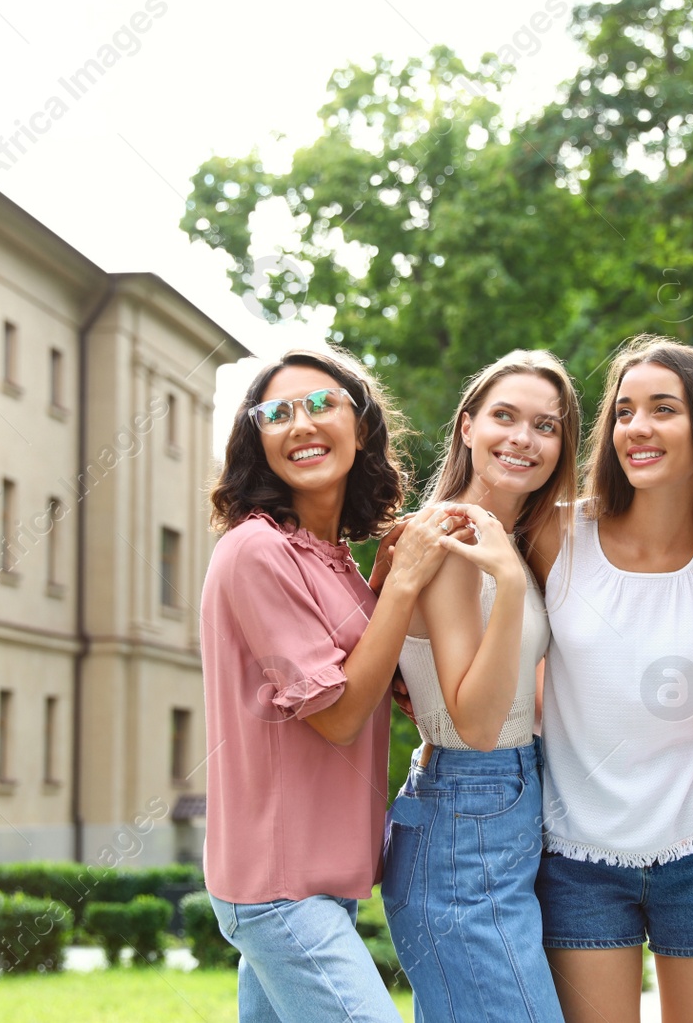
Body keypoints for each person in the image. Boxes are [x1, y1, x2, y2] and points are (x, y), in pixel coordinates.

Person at [530, 336, 693, 1023]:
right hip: (577, 851)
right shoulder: (555, 538)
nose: (636, 427)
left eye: (662, 409)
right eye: (623, 411)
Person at [199, 346, 456, 1023]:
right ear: (257, 439)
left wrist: (382, 584)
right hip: (281, 889)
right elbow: (339, 714)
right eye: (276, 413)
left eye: (321, 404)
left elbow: (364, 672)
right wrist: (401, 585)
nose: (300, 424)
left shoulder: (332, 557)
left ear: (361, 424)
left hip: (318, 884)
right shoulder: (256, 549)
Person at [381, 350, 580, 1023]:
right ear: (467, 426)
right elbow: (475, 721)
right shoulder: (448, 541)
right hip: (465, 817)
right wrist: (517, 587)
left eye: (545, 425)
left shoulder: (513, 539)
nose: (523, 438)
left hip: (503, 811)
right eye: (504, 416)